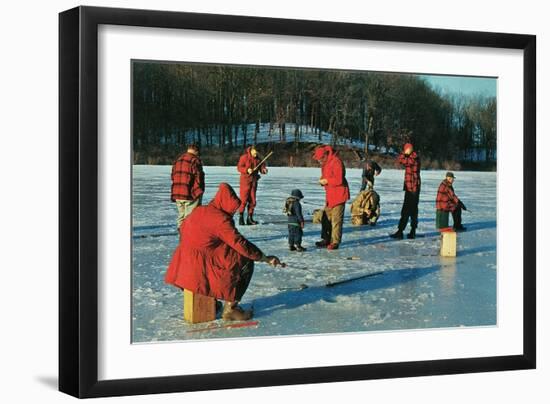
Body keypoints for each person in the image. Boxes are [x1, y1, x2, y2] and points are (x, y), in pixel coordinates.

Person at [165, 183, 283, 321]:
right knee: (246, 262)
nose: (232, 213)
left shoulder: (199, 210)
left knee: (230, 256)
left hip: (183, 260)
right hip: (200, 263)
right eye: (232, 210)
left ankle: (214, 303)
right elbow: (240, 244)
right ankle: (231, 309)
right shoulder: (220, 219)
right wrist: (264, 258)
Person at [312, 145, 350, 250]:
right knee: (325, 218)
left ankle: (335, 242)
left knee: (336, 220)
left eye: (320, 159)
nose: (319, 161)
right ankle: (326, 239)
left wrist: (327, 181)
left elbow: (339, 180)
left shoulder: (336, 161)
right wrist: (322, 181)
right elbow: (325, 176)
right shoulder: (325, 164)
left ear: (325, 155)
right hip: (330, 196)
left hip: (339, 195)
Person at [390, 142, 421, 240]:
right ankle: (407, 231)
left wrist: (404, 153)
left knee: (410, 210)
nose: (405, 151)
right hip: (410, 188)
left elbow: (403, 161)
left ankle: (407, 231)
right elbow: (401, 161)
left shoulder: (413, 157)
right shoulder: (411, 157)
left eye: (406, 149)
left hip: (413, 189)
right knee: (409, 210)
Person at [170, 144, 205, 229]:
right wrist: (199, 191)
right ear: (196, 151)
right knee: (191, 218)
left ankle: (181, 234)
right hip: (190, 193)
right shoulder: (195, 160)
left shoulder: (178, 160)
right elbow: (199, 177)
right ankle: (187, 237)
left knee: (181, 216)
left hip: (177, 193)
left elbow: (172, 176)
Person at [237, 145, 268, 226]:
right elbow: (239, 167)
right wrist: (247, 170)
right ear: (251, 150)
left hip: (254, 182)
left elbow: (262, 168)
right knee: (243, 200)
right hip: (245, 181)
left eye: (257, 152)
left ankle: (249, 218)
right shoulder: (244, 157)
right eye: (254, 152)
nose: (256, 154)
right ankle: (241, 217)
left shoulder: (258, 159)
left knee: (253, 200)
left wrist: (264, 170)